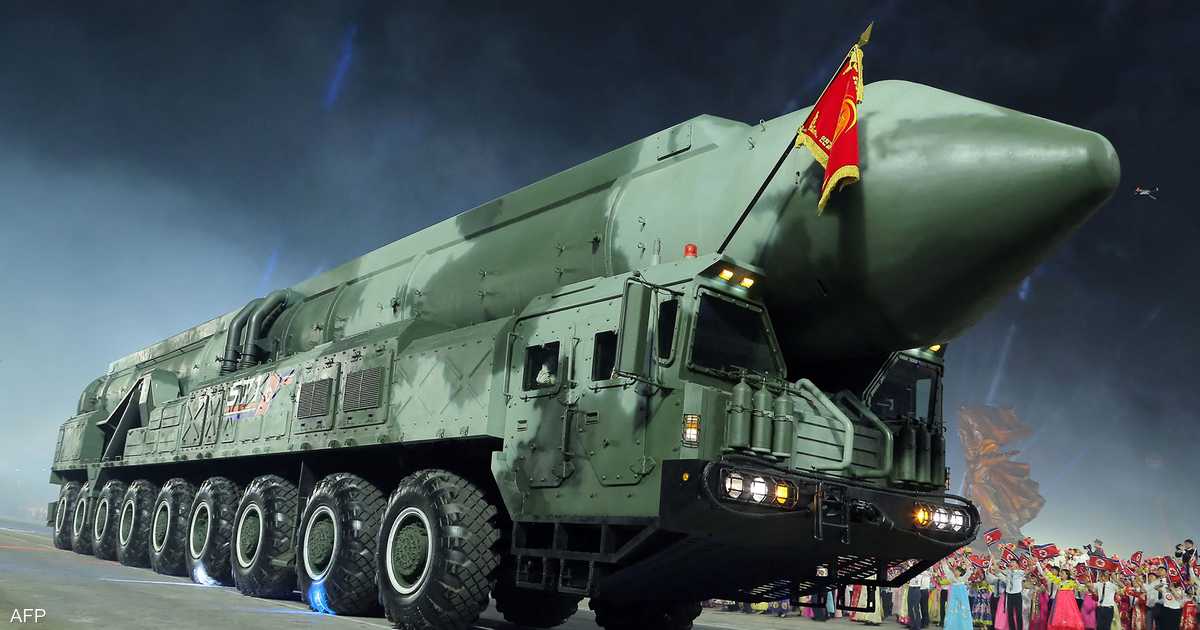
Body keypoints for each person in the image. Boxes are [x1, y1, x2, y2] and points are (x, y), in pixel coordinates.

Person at [945, 565, 975, 630]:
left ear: (960, 573)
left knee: (962, 612)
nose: (955, 572)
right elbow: (947, 572)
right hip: (953, 599)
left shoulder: (963, 579)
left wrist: (967, 564)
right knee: (952, 611)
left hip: (962, 600)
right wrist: (944, 564)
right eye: (955, 570)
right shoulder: (952, 579)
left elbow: (968, 573)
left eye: (957, 571)